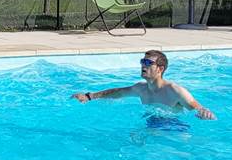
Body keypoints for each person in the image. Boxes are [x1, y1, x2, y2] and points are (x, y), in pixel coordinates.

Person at [71, 49, 216, 119]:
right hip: (150, 123)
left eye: (148, 63)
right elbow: (118, 92)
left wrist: (205, 113)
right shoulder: (141, 88)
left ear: (160, 69)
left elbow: (197, 108)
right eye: (142, 61)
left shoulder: (175, 91)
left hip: (174, 129)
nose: (143, 65)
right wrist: (90, 96)